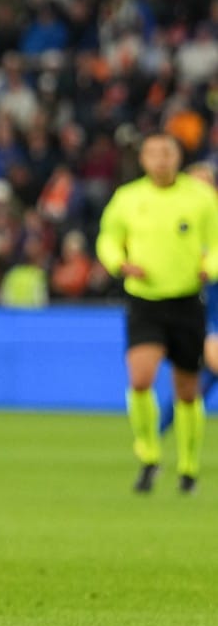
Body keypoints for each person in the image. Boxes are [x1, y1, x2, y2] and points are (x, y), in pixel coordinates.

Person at [96, 134, 218, 495]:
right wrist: (118, 263)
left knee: (187, 389)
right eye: (154, 153)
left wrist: (209, 266)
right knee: (141, 377)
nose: (162, 159)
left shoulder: (200, 197)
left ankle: (188, 467)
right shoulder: (128, 198)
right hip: (145, 301)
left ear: (178, 157)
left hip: (186, 300)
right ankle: (149, 454)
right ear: (144, 159)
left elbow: (215, 241)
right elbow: (107, 238)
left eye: (168, 152)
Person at [160, 162, 218, 434]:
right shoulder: (179, 222)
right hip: (200, 310)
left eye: (207, 182)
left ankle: (164, 427)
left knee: (198, 376)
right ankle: (163, 427)